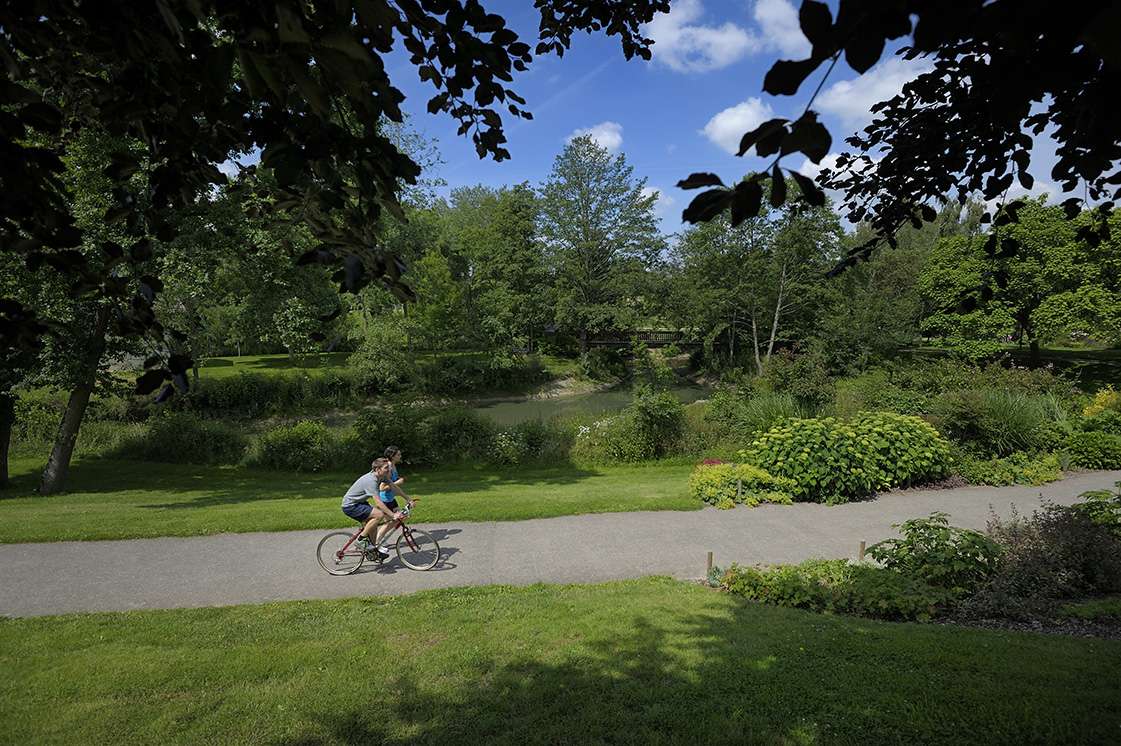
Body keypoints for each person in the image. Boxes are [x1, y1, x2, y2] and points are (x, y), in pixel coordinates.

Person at [341, 457, 402, 558]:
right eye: (386, 468)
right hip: (350, 506)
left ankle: (373, 551)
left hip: (359, 503)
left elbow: (394, 487)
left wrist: (408, 499)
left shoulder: (382, 477)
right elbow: (378, 502)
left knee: (374, 523)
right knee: (379, 514)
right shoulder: (371, 480)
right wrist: (393, 515)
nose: (389, 469)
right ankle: (361, 540)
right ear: (378, 469)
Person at [375, 445, 414, 548]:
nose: (400, 456)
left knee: (402, 517)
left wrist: (407, 498)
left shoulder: (393, 465)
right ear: (392, 456)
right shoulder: (388, 466)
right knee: (392, 521)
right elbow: (382, 487)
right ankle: (377, 540)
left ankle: (379, 538)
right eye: (398, 454)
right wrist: (398, 482)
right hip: (385, 500)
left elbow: (394, 486)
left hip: (390, 498)